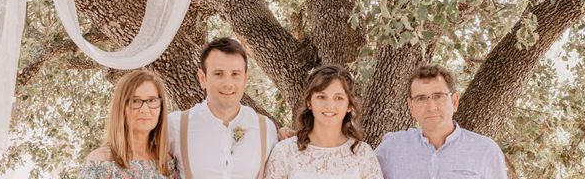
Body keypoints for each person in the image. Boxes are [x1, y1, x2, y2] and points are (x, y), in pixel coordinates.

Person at [168, 37, 278, 178]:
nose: (228, 83)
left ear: (245, 79)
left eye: (235, 74)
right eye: (218, 74)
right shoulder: (175, 126)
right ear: (203, 78)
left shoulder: (266, 128)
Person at [375, 64, 508, 179]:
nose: (431, 107)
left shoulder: (485, 150)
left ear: (454, 101)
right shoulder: (391, 149)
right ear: (411, 106)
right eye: (421, 98)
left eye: (438, 96)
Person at [264, 65, 383, 179]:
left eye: (338, 98)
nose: (329, 105)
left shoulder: (363, 154)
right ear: (309, 102)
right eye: (321, 97)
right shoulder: (285, 151)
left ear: (349, 106)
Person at [79, 69, 172, 178]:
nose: (145, 109)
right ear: (121, 108)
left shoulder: (165, 162)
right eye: (135, 101)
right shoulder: (101, 162)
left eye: (152, 100)